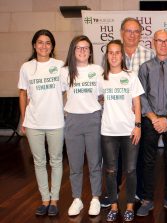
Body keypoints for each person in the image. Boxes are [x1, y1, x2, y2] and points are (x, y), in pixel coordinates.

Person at [136, 30, 167, 217]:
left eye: (166, 41)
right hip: (150, 120)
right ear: (153, 43)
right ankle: (147, 199)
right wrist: (153, 118)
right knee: (148, 161)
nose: (163, 44)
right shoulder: (145, 68)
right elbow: (141, 94)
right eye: (159, 41)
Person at [18, 29, 64, 216]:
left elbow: (66, 91)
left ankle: (54, 200)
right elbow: (22, 93)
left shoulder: (61, 65)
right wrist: (24, 119)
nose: (44, 46)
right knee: (39, 162)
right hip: (33, 122)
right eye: (40, 42)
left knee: (56, 161)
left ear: (52, 46)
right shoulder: (26, 67)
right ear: (34, 45)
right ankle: (45, 199)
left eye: (48, 43)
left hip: (56, 121)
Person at [100, 40, 144, 222]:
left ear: (122, 55)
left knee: (131, 170)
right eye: (111, 52)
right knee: (110, 171)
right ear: (107, 55)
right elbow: (95, 98)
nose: (114, 55)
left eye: (117, 52)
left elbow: (137, 102)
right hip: (108, 132)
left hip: (129, 131)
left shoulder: (131, 75)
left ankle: (129, 206)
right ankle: (113, 205)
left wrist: (138, 126)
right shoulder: (101, 77)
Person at [61, 35, 103, 216]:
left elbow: (102, 95)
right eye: (79, 47)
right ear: (73, 50)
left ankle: (95, 198)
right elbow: (59, 94)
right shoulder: (64, 71)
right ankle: (77, 199)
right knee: (75, 164)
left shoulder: (97, 69)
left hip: (93, 119)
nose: (82, 51)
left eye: (86, 47)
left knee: (94, 163)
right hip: (73, 121)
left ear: (90, 51)